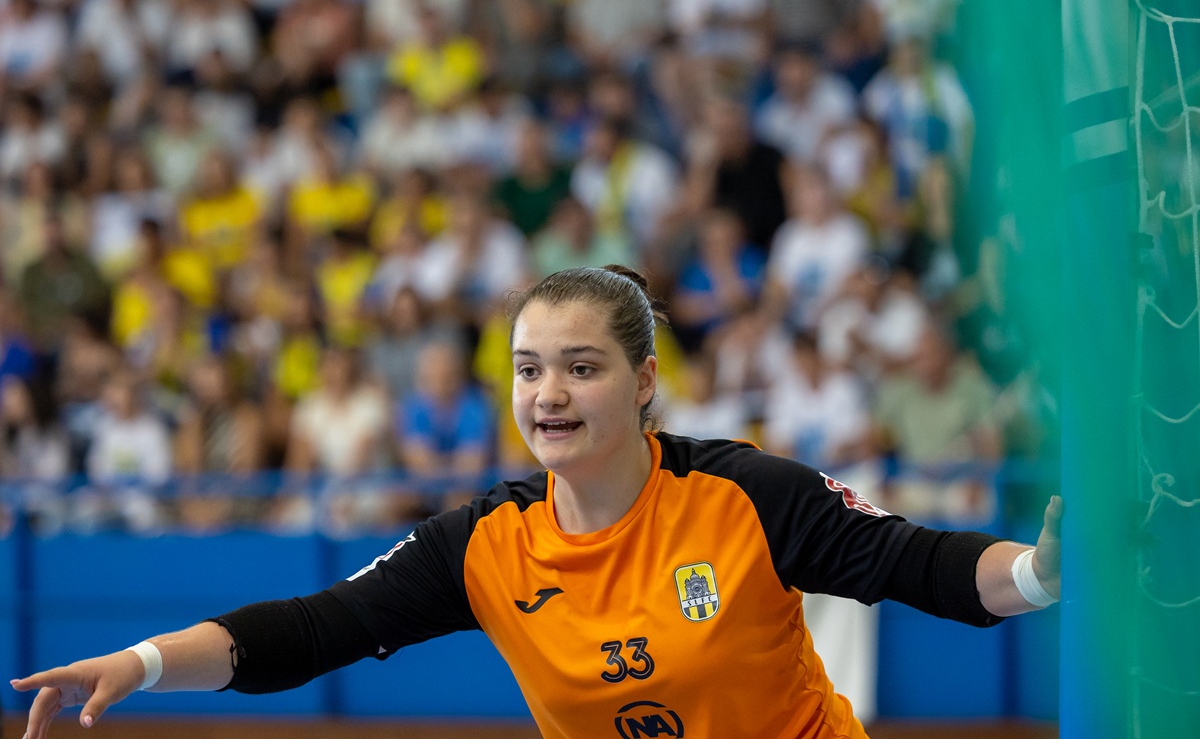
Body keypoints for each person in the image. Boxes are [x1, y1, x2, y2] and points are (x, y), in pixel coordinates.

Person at [12, 265, 1063, 739]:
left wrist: (1034, 573)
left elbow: (919, 564)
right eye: (527, 369)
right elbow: (311, 628)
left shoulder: (745, 494)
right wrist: (139, 662)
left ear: (644, 379)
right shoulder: (485, 540)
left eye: (580, 367)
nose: (548, 394)